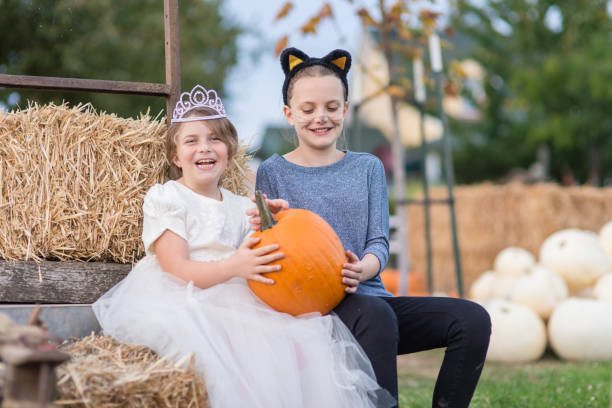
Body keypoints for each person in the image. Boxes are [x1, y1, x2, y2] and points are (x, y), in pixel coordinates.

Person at [93, 85, 394, 408]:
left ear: (230, 149)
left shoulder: (241, 206)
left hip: (238, 295)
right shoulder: (168, 198)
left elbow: (271, 248)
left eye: (215, 139)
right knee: (225, 356)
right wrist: (234, 267)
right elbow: (176, 268)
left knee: (300, 339)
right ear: (175, 156)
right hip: (184, 296)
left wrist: (276, 218)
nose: (204, 149)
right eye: (191, 141)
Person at [253, 48, 492, 408]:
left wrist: (364, 268)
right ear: (289, 114)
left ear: (346, 110)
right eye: (308, 109)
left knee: (472, 320)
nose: (321, 117)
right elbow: (270, 242)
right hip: (318, 309)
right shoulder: (272, 172)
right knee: (377, 316)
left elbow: (378, 240)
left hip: (373, 297)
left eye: (332, 107)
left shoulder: (368, 167)